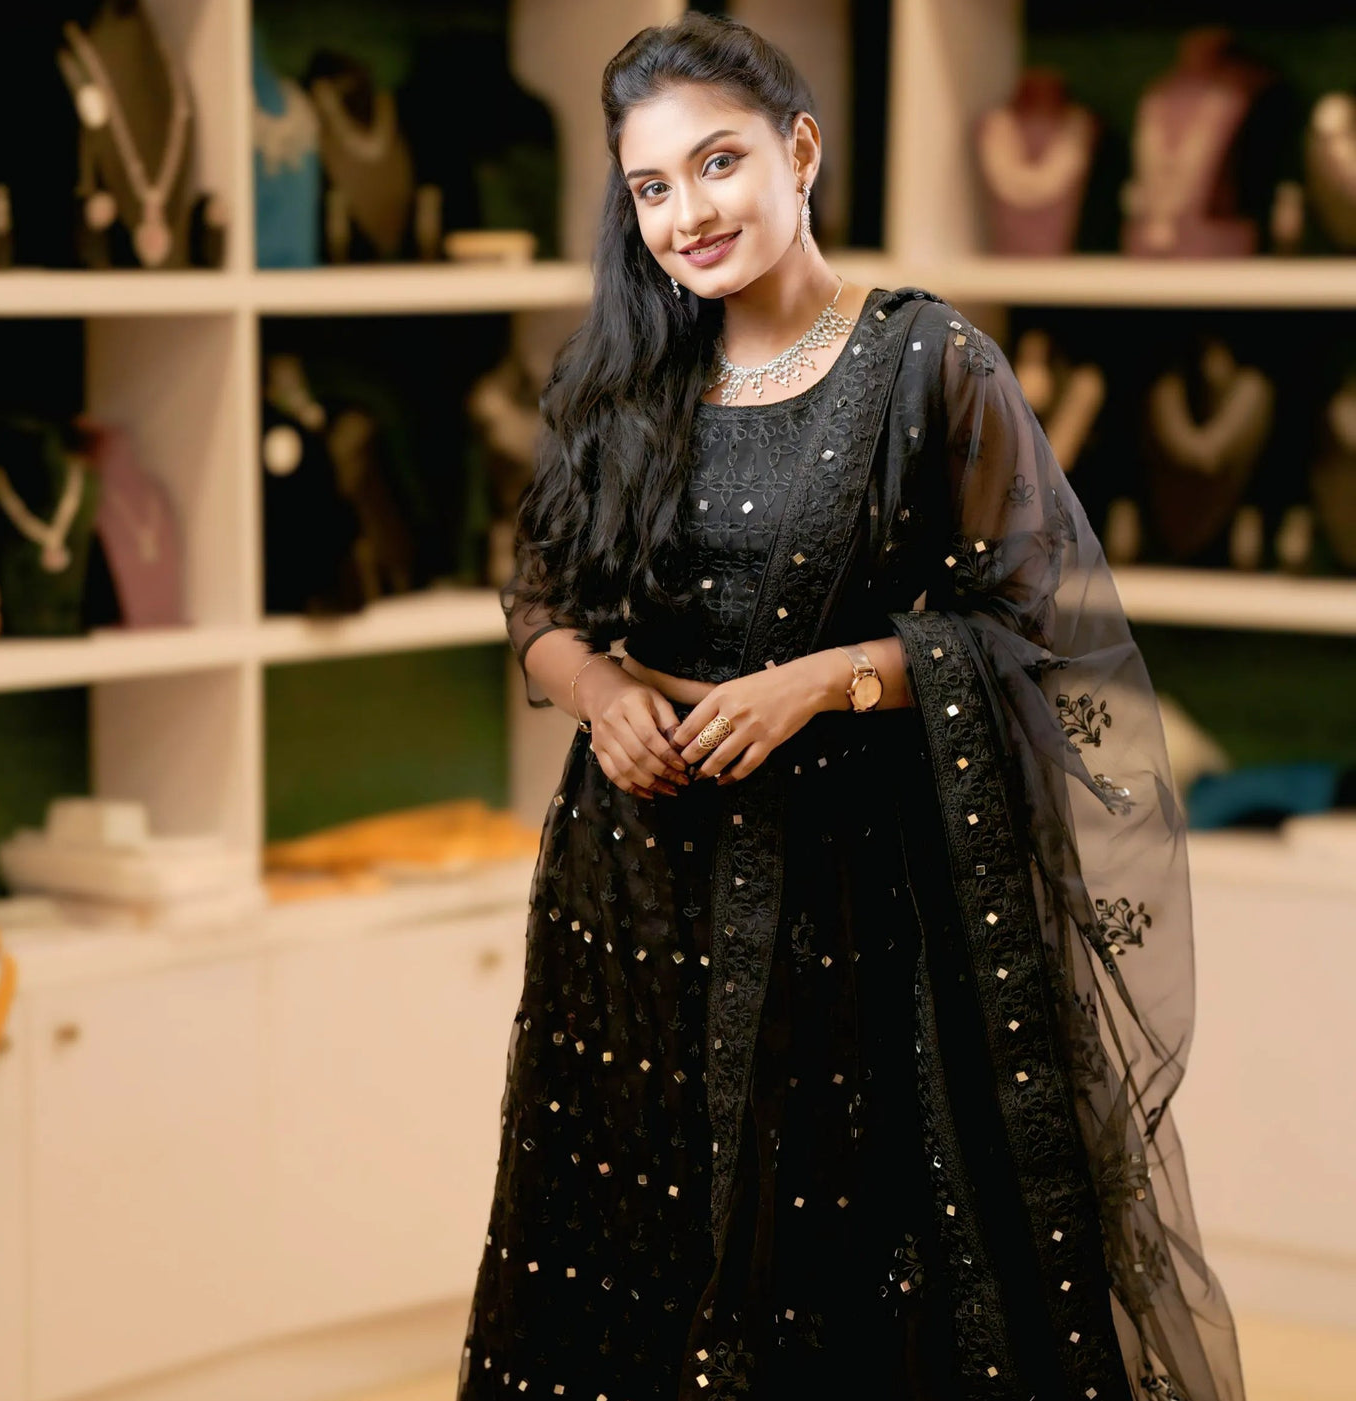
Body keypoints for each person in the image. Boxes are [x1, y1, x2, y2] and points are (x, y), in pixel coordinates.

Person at [458, 14, 1245, 1401]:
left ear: (800, 148)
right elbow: (538, 600)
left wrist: (834, 675)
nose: (687, 213)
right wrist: (595, 693)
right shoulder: (624, 375)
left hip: (859, 914)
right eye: (651, 187)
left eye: (717, 164)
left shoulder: (929, 364)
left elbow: (1031, 626)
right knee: (638, 1267)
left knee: (832, 1289)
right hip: (637, 897)